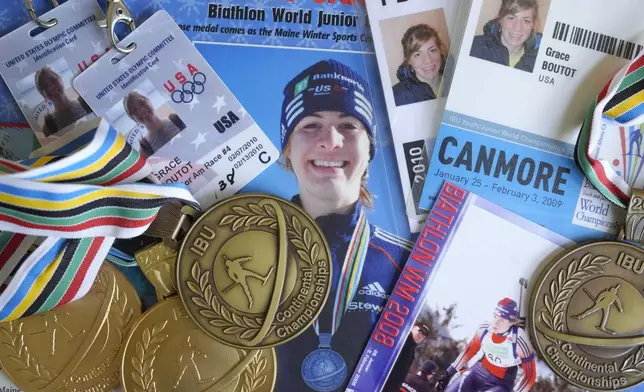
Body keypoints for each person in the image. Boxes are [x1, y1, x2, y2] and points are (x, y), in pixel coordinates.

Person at [275, 59, 414, 391]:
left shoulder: (410, 265)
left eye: (349, 125)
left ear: (369, 149)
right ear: (288, 148)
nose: (331, 140)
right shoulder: (241, 244)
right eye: (311, 124)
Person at [437, 298, 536, 392]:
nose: (495, 323)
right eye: (495, 317)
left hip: (499, 384)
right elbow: (469, 351)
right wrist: (449, 373)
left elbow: (530, 375)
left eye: (502, 320)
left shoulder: (519, 340)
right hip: (477, 373)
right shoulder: (485, 329)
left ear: (511, 322)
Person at [470, 0, 542, 73]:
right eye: (511, 18)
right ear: (500, 19)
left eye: (526, 21)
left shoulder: (541, 60)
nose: (518, 27)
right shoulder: (473, 47)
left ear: (533, 25)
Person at [393, 24, 446, 106]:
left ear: (440, 51)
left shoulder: (457, 80)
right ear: (408, 60)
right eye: (417, 54)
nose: (428, 60)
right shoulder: (397, 97)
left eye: (432, 50)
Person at [123, 91, 186, 157]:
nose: (141, 111)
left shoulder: (178, 120)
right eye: (135, 110)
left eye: (142, 103)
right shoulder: (145, 150)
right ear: (133, 118)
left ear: (148, 100)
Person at [35, 66, 92, 137]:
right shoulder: (49, 127)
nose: (51, 87)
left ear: (61, 79)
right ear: (42, 94)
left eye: (53, 80)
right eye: (44, 86)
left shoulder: (86, 102)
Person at [384, 323, 431, 392]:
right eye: (420, 332)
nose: (421, 336)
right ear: (413, 328)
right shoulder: (404, 342)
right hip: (384, 384)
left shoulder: (412, 348)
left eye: (424, 335)